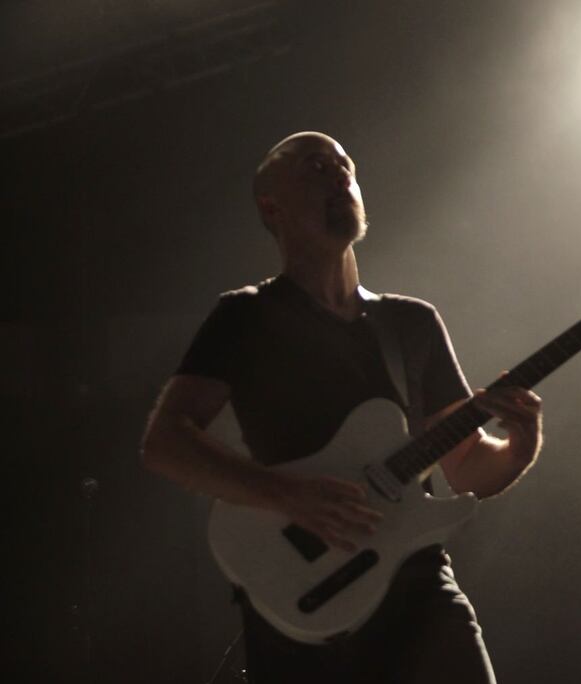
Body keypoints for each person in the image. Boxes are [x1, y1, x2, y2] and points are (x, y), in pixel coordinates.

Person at [140, 131, 542, 683]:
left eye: (344, 166)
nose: (337, 176)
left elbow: (469, 465)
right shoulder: (245, 317)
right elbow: (165, 443)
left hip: (417, 592)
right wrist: (285, 495)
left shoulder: (412, 324)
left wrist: (521, 444)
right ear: (271, 206)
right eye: (314, 167)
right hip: (302, 602)